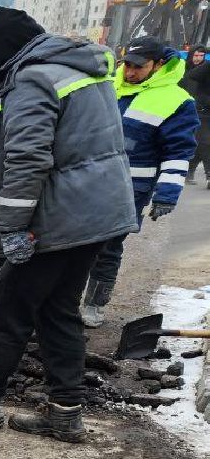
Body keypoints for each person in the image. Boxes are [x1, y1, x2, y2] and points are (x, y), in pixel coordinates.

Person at [0, 9, 136, 443]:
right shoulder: (80, 68)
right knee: (58, 310)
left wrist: (12, 228)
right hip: (95, 216)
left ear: (0, 51)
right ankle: (64, 413)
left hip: (57, 219)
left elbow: (27, 159)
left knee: (9, 314)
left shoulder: (32, 79)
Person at [80, 36, 199, 328]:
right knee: (75, 243)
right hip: (88, 182)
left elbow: (178, 152)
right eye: (127, 65)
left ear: (159, 65)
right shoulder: (110, 85)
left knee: (107, 246)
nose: (130, 72)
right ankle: (63, 300)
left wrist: (167, 194)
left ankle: (94, 304)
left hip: (129, 190)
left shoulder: (177, 101)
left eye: (138, 67)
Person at [180, 44, 210, 186]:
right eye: (196, 55)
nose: (198, 58)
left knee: (200, 144)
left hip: (203, 110)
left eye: (201, 55)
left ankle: (190, 169)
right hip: (193, 110)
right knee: (204, 142)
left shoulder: (205, 68)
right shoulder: (185, 71)